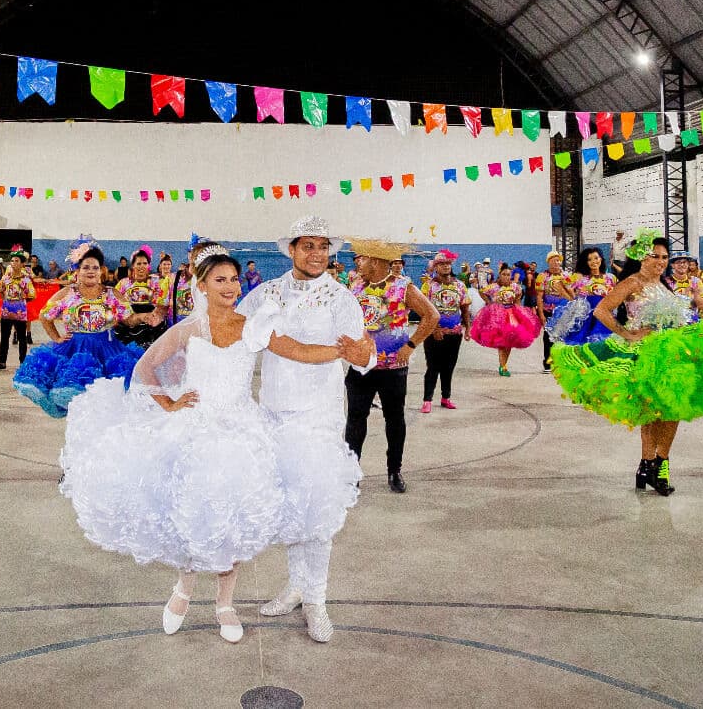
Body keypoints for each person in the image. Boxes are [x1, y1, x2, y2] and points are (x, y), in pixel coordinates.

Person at [60, 245, 356, 643]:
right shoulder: (188, 329)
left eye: (234, 279)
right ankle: (183, 589)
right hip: (197, 428)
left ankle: (225, 603)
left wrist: (343, 349)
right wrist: (170, 402)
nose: (231, 286)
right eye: (220, 280)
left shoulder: (253, 326)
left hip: (241, 431)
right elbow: (146, 367)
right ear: (201, 285)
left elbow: (299, 351)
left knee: (231, 518)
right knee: (192, 513)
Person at [244, 216, 375, 643]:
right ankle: (296, 585)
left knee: (316, 509)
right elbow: (232, 330)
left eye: (323, 247)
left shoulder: (341, 298)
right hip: (274, 416)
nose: (317, 254)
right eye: (308, 246)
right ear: (292, 250)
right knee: (288, 506)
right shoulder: (266, 293)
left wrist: (365, 354)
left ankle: (317, 600)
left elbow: (360, 354)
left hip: (319, 417)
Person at [551, 231, 703, 496]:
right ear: (641, 257)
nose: (661, 261)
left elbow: (681, 316)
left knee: (673, 409)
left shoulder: (665, 285)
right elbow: (601, 310)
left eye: (665, 257)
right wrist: (628, 333)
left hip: (672, 353)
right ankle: (650, 464)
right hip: (646, 353)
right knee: (652, 412)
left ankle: (658, 464)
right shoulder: (632, 282)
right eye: (655, 256)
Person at [345, 239, 437, 494]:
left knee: (394, 421)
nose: (358, 263)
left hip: (392, 369)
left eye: (361, 258)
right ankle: (350, 473)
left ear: (375, 261)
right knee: (354, 421)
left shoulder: (403, 287)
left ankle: (394, 470)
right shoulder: (356, 285)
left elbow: (432, 315)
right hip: (361, 367)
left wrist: (410, 345)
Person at [12, 241, 144, 417]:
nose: (91, 271)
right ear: (77, 271)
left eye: (95, 268)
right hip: (74, 350)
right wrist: (57, 338)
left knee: (105, 404)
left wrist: (144, 317)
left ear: (101, 271)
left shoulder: (112, 294)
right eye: (86, 267)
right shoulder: (68, 293)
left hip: (107, 349)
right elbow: (45, 316)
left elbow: (129, 320)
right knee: (77, 401)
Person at [419, 250, 471, 411]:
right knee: (433, 367)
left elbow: (464, 308)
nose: (446, 267)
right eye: (442, 264)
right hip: (434, 334)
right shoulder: (429, 286)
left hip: (454, 334)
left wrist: (467, 328)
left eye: (448, 264)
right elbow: (423, 310)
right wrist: (435, 328)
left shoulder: (459, 285)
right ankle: (427, 400)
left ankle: (445, 397)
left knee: (449, 367)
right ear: (436, 267)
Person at [471, 264, 542, 376]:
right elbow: (481, 291)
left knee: (509, 342)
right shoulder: (494, 287)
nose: (506, 276)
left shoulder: (515, 287)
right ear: (500, 275)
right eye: (504, 274)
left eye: (508, 274)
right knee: (501, 342)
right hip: (497, 316)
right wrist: (489, 303)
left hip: (511, 314)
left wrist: (519, 311)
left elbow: (518, 297)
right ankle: (503, 366)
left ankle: (503, 364)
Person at [113, 245, 168, 348]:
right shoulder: (124, 283)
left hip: (151, 321)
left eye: (145, 263)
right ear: (133, 265)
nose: (142, 266)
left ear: (148, 265)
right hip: (129, 322)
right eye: (138, 263)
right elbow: (114, 302)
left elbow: (163, 303)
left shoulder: (157, 281)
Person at [0, 247, 36, 370]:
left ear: (22, 264)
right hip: (6, 311)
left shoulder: (26, 280)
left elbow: (32, 295)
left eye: (17, 261)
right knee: (4, 337)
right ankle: (2, 362)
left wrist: (23, 298)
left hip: (20, 312)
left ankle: (23, 363)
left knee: (22, 338)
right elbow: (1, 291)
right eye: (12, 261)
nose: (13, 263)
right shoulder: (6, 278)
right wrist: (6, 298)